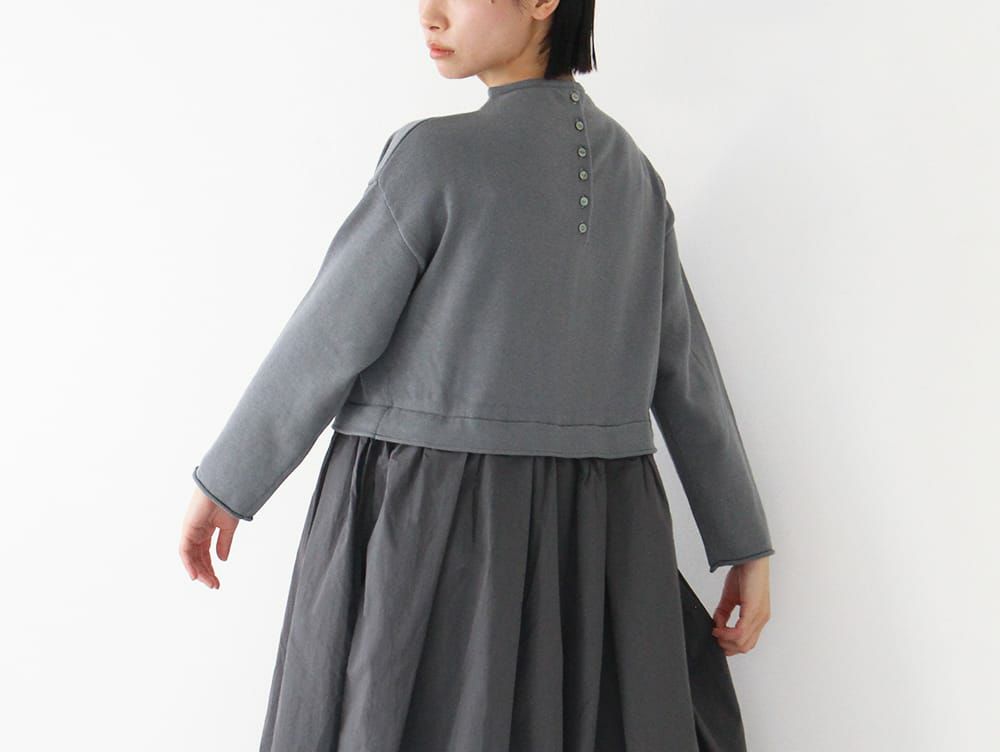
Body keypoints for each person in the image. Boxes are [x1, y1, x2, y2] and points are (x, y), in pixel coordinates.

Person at [178, 0, 776, 749]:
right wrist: (743, 542)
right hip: (597, 541)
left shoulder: (434, 158)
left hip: (431, 528)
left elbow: (329, 336)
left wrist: (227, 483)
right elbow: (685, 376)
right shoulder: (636, 175)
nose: (428, 14)